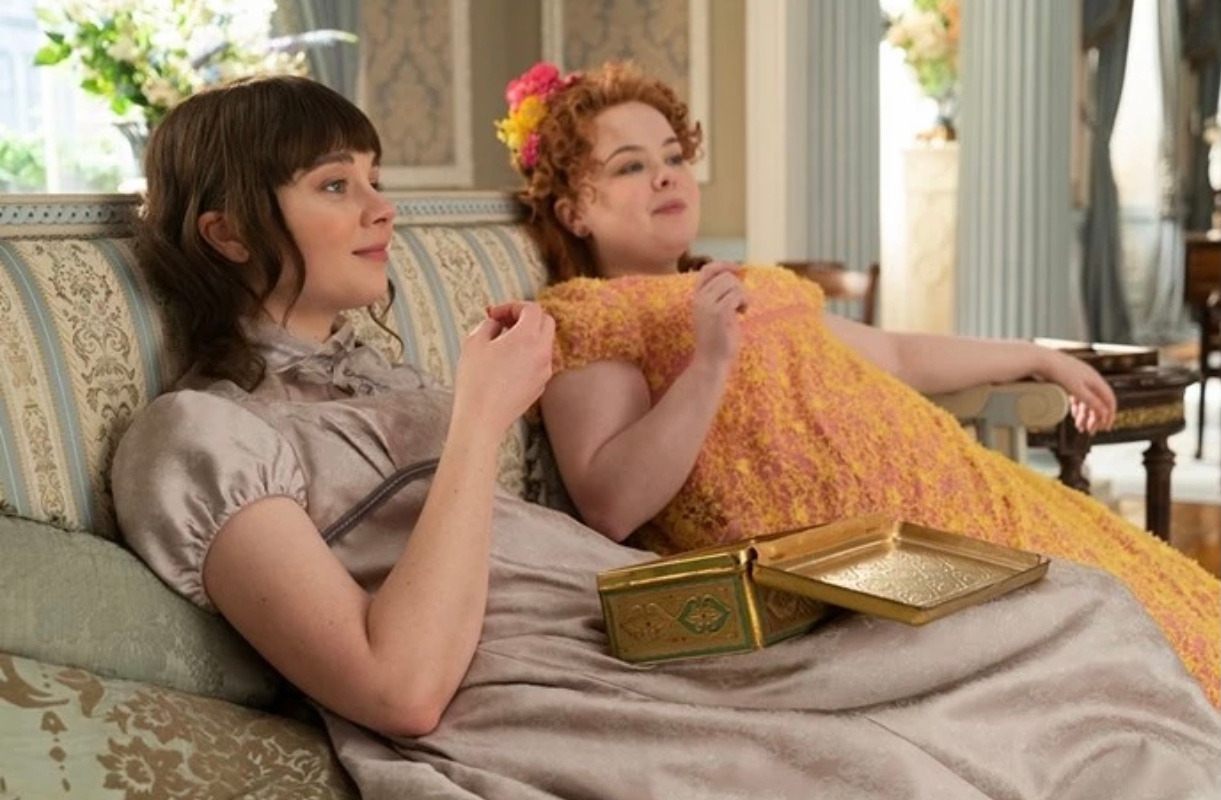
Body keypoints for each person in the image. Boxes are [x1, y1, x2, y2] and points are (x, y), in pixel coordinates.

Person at [110, 74, 1219, 800]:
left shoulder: (381, 376)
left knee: (1074, 603)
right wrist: (481, 418)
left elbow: (872, 354)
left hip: (641, 614)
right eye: (334, 185)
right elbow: (399, 687)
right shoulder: (196, 436)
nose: (381, 208)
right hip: (551, 675)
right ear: (228, 232)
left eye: (376, 179)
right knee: (885, 765)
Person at [505, 61, 1221, 705]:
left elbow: (898, 355)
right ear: (574, 211)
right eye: (630, 166)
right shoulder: (591, 315)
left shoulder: (753, 283)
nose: (665, 175)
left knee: (1158, 597)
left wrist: (1035, 355)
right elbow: (611, 504)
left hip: (959, 494)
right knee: (1113, 648)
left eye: (672, 156)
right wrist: (710, 364)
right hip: (860, 567)